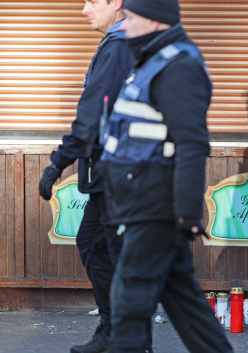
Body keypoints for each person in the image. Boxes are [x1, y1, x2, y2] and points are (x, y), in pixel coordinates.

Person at [99, 0, 233, 351]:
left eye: (129, 18)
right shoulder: (151, 61)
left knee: (128, 301)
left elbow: (191, 143)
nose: (123, 26)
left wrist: (186, 213)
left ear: (154, 21)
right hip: (142, 200)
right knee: (185, 304)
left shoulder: (179, 67)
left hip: (156, 206)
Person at [37, 1, 137, 352]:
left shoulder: (121, 45)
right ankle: (114, 332)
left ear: (116, 3)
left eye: (92, 1)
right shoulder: (121, 42)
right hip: (109, 174)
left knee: (119, 255)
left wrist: (58, 162)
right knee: (95, 245)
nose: (84, 9)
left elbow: (92, 113)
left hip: (122, 173)